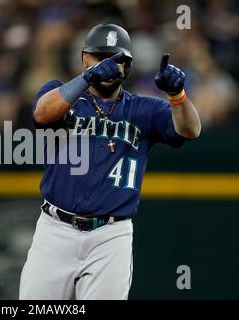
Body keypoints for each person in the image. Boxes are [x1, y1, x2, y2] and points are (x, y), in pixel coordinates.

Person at [19, 23, 201, 300]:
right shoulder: (61, 93)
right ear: (84, 58)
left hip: (110, 236)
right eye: (100, 56)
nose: (109, 64)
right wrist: (87, 78)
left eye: (117, 59)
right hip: (55, 229)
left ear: (127, 67)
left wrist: (178, 96)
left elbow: (191, 130)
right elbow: (43, 114)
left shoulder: (144, 109)